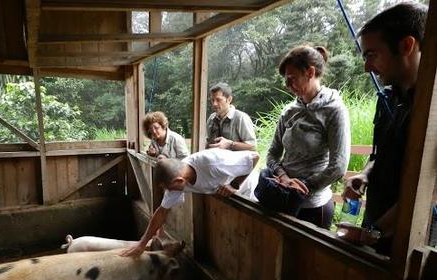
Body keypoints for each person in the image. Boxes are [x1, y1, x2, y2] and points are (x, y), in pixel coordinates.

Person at [342, 2, 428, 253]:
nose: (367, 67)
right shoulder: (387, 98)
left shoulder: (431, 109)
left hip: (408, 244)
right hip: (375, 227)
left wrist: (373, 234)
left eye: (371, 55)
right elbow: (378, 155)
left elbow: (427, 191)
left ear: (406, 46)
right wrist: (365, 174)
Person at [257, 45, 350, 229]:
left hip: (314, 206)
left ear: (310, 72)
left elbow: (338, 166)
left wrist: (303, 187)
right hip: (282, 200)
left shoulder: (334, 110)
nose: (287, 85)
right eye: (285, 80)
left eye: (291, 79)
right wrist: (283, 177)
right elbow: (272, 154)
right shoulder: (289, 111)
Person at [121, 148, 259, 257]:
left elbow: (254, 157)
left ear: (179, 181)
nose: (169, 192)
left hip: (250, 193)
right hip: (230, 197)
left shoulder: (212, 163)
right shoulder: (178, 179)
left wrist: (235, 185)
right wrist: (141, 244)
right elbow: (162, 212)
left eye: (169, 188)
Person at [206, 82, 256, 151]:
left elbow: (252, 146)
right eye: (212, 100)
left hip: (236, 161)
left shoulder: (241, 118)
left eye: (218, 100)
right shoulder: (211, 119)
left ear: (229, 99)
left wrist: (231, 144)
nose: (214, 104)